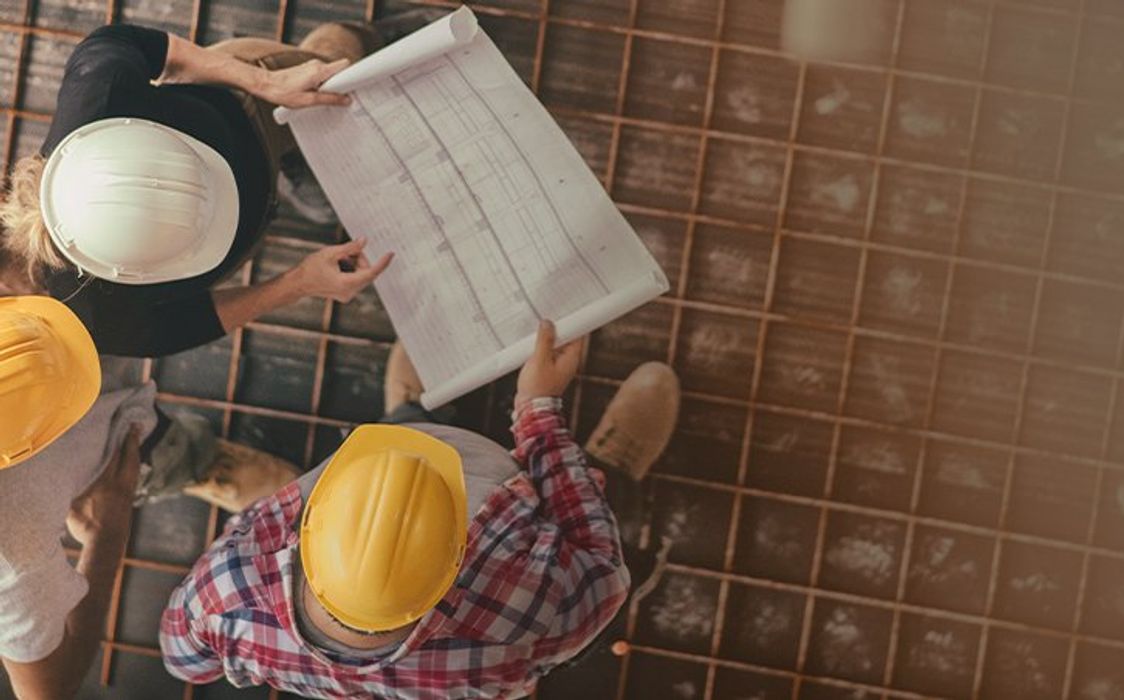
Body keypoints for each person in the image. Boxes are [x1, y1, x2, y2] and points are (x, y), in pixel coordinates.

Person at [160, 321, 681, 698]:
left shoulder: (225, 594)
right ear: (458, 556)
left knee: (392, 438)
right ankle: (606, 469)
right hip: (524, 496)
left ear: (304, 531)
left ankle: (407, 415)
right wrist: (539, 410)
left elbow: (185, 662)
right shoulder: (526, 608)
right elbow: (603, 572)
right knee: (599, 502)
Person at [0, 21, 394, 358]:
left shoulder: (99, 92)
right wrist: (301, 282)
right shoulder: (92, 318)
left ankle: (363, 36)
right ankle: (295, 170)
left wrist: (269, 82)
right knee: (323, 181)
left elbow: (130, 43)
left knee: (342, 70)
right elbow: (189, 323)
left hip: (249, 103)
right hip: (248, 209)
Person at [0, 296, 297, 699]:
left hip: (77, 360)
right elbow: (48, 690)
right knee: (155, 454)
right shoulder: (12, 553)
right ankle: (192, 462)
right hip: (111, 452)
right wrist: (107, 537)